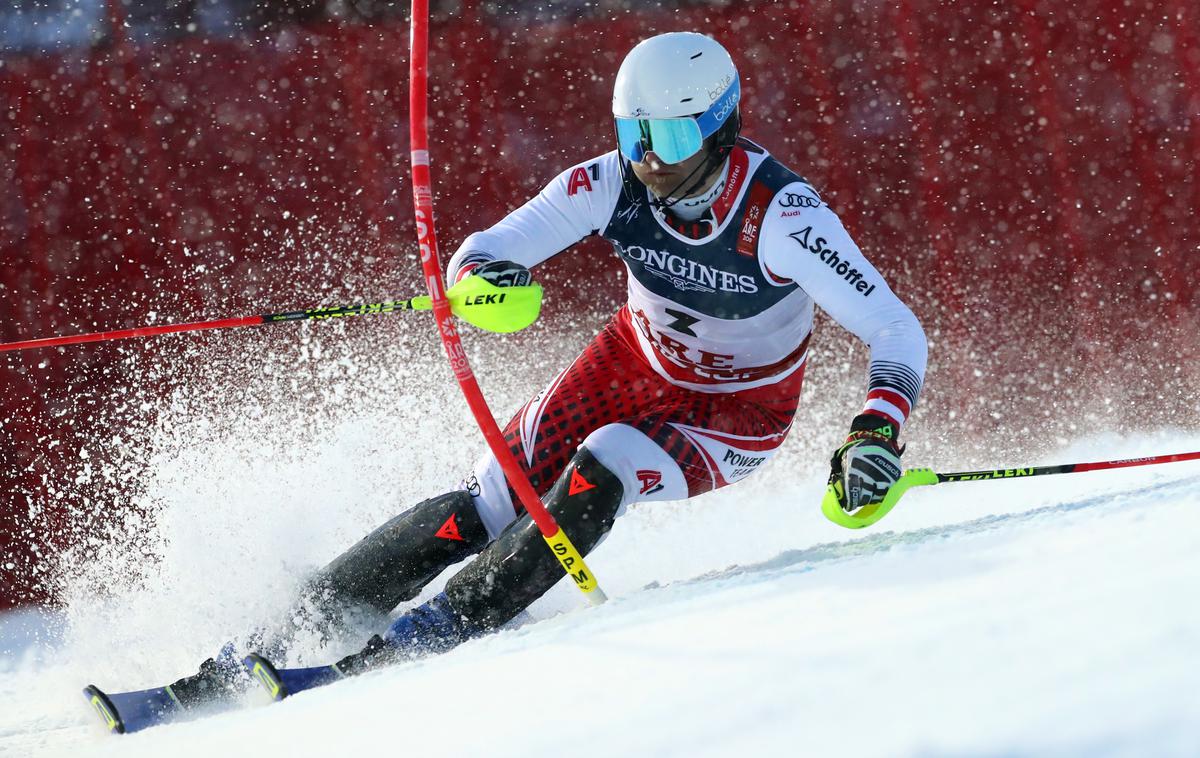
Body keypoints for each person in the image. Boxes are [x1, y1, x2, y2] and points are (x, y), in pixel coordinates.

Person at [173, 30, 927, 696]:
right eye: (635, 137)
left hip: (734, 413)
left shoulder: (785, 219)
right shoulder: (611, 182)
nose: (650, 162)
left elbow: (895, 329)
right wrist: (483, 278)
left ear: (719, 126)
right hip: (629, 363)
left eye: (669, 138)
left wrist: (876, 432)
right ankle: (289, 628)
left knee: (608, 460)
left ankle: (442, 625)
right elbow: (490, 248)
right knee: (493, 498)